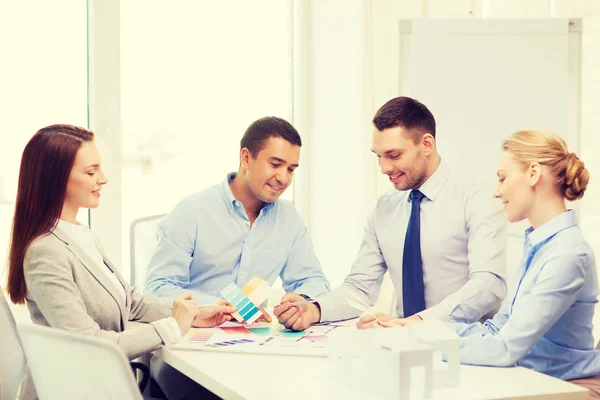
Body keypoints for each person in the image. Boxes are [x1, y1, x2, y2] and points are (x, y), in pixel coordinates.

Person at [5, 124, 234, 400]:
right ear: (56, 178)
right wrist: (172, 326)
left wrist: (194, 313)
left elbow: (130, 301)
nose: (103, 179)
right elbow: (89, 343)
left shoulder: (79, 233)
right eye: (91, 172)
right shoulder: (45, 251)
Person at [372, 130, 600, 399]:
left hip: (571, 389)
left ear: (533, 173)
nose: (496, 191)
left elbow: (505, 349)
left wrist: (420, 340)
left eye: (503, 178)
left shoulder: (568, 254)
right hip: (536, 381)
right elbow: (497, 328)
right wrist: (417, 328)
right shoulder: (540, 245)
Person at [275, 96, 507, 330]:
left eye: (394, 155)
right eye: (378, 156)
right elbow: (360, 289)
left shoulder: (477, 198)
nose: (385, 168)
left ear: (426, 144)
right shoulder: (384, 208)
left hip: (467, 347)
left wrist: (418, 323)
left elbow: (488, 285)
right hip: (401, 342)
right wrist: (314, 309)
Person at [143, 116, 330, 305]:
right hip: (195, 330)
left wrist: (303, 300)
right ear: (246, 158)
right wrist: (216, 306)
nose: (283, 178)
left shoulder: (289, 218)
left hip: (254, 333)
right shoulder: (191, 212)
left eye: (291, 169)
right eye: (275, 165)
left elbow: (314, 281)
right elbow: (157, 288)